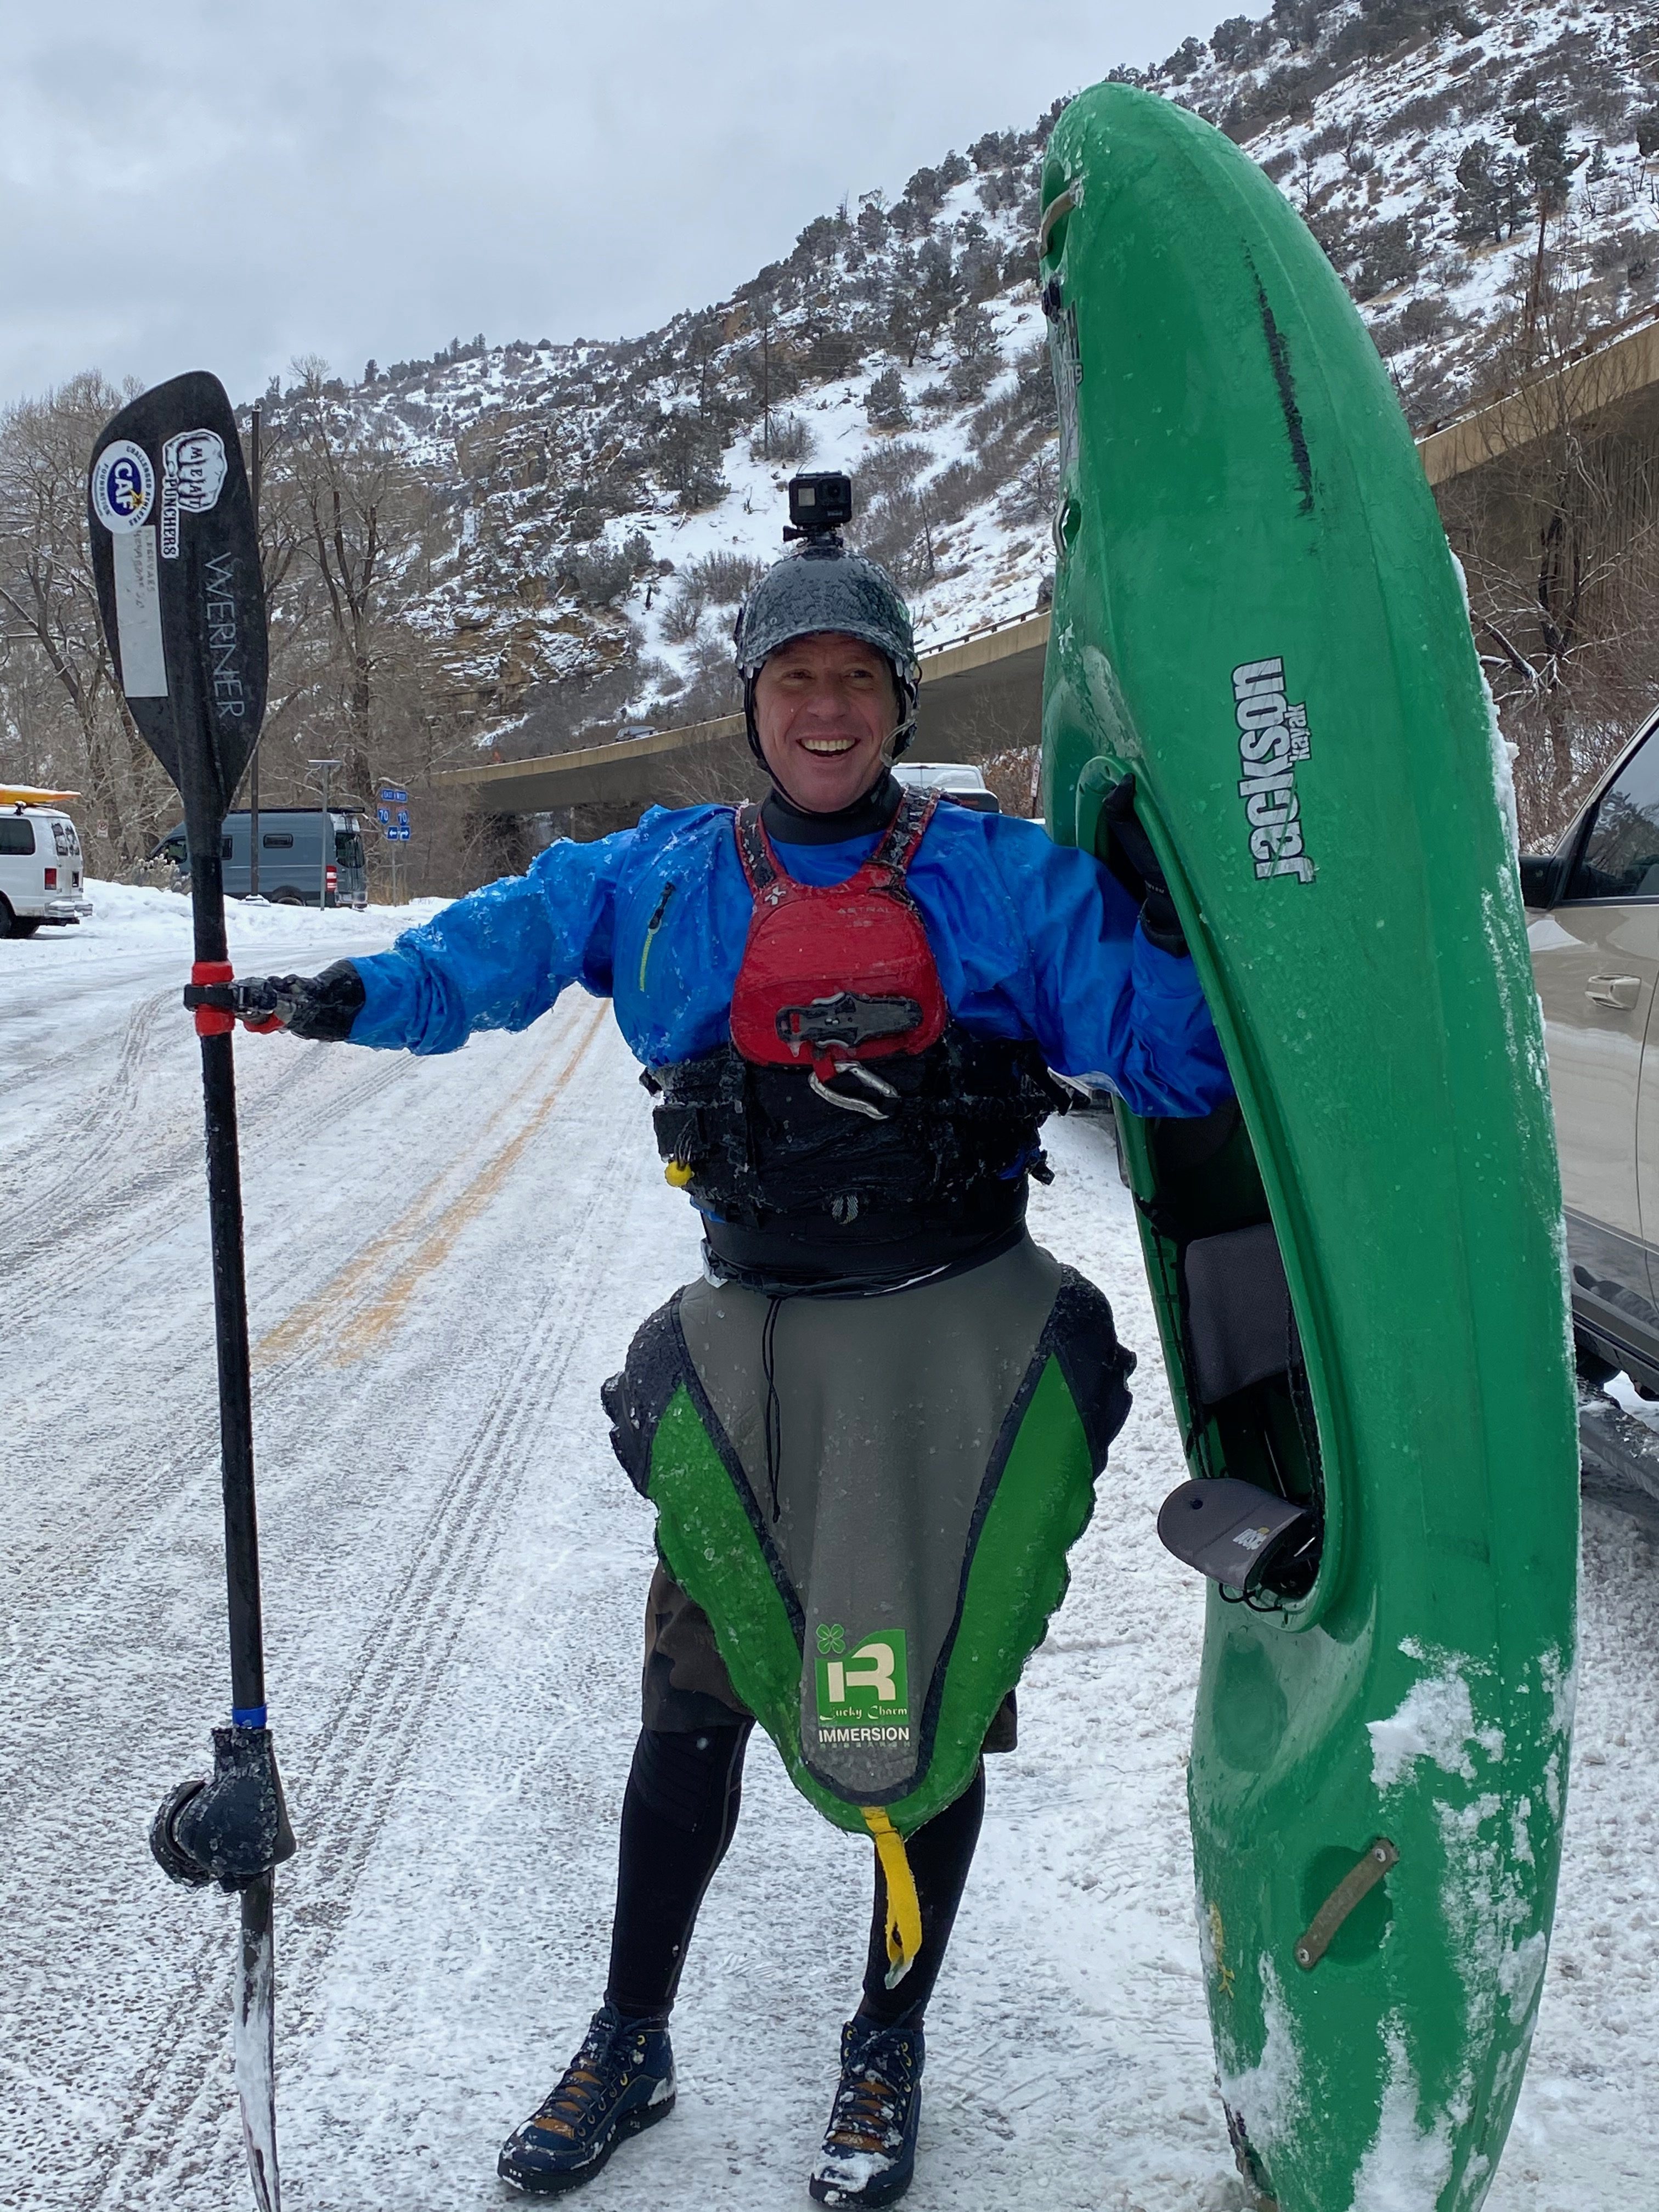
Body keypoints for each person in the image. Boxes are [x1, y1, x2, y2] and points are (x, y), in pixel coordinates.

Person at [223, 478, 1232, 2205]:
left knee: (935, 1705)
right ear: (752, 708)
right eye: (794, 681)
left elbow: (1181, 1054)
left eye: (857, 679)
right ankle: (633, 2033)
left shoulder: (1003, 882)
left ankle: (885, 2041)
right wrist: (350, 995)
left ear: (898, 706)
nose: (825, 710)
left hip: (956, 1339)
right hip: (756, 1343)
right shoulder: (667, 877)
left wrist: (1224, 936)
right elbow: (498, 950)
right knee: (692, 1696)